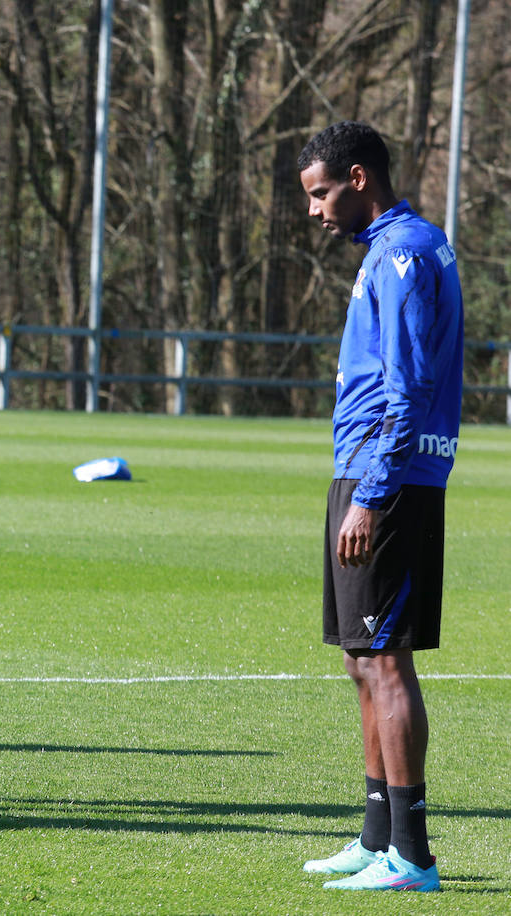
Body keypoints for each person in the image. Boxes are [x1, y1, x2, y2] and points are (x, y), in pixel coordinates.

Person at [296, 120, 461, 893]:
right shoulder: (389, 251)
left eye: (321, 193)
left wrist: (371, 493)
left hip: (385, 480)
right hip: (364, 472)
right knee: (363, 658)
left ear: (358, 178)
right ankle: (376, 837)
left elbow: (411, 385)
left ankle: (414, 857)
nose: (315, 210)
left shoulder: (403, 252)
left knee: (386, 661)